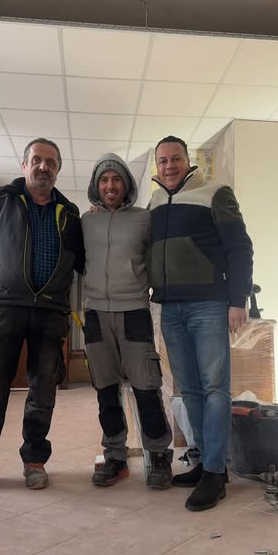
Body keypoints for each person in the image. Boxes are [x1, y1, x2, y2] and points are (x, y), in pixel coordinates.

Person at [0, 137, 84, 497]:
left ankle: (34, 461)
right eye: (37, 159)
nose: (43, 167)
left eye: (51, 162)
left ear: (58, 170)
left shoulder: (70, 213)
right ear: (24, 165)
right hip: (3, 308)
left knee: (43, 390)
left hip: (51, 312)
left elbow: (83, 264)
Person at [148, 135, 254, 511]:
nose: (169, 166)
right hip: (170, 308)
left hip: (209, 304)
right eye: (163, 161)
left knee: (214, 389)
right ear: (157, 166)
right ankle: (204, 462)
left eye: (175, 158)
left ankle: (215, 471)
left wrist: (238, 300)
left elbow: (240, 247)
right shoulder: (155, 202)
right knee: (189, 390)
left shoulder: (215, 193)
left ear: (187, 160)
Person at [81, 153, 173, 488]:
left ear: (126, 185)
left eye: (116, 179)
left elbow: (158, 257)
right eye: (104, 180)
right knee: (105, 390)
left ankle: (159, 455)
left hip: (134, 310)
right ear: (96, 186)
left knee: (146, 387)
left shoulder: (143, 219)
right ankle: (115, 457)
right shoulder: (85, 221)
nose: (110, 185)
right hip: (95, 313)